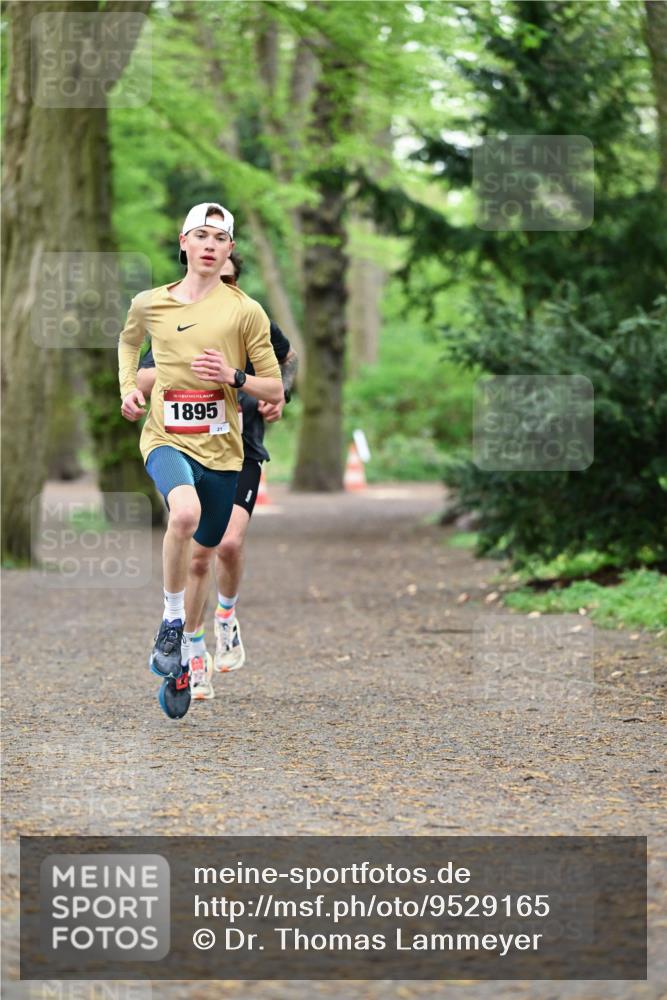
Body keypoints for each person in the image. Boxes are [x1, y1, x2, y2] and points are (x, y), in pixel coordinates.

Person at [119, 202, 283, 720]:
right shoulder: (151, 303)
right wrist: (129, 390)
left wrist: (234, 377)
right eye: (201, 235)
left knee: (205, 556)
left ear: (230, 250)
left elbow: (276, 383)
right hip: (166, 438)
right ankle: (173, 624)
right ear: (184, 243)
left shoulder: (247, 311)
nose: (210, 244)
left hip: (226, 451)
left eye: (220, 237)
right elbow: (129, 344)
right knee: (183, 517)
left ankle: (190, 656)